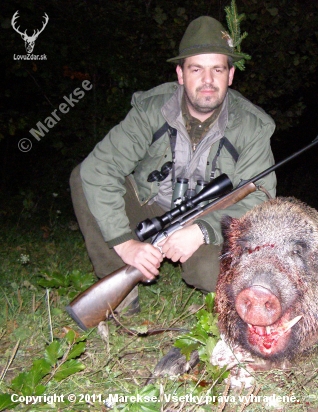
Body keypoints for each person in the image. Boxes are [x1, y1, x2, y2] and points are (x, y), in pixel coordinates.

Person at [70, 16, 276, 313]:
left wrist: (202, 230)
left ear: (230, 75)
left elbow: (261, 198)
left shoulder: (252, 126)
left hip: (209, 216)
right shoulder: (151, 109)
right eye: (196, 69)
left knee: (209, 272)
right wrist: (125, 244)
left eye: (217, 69)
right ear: (180, 74)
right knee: (83, 177)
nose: (208, 80)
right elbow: (99, 169)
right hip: (149, 207)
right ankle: (121, 293)